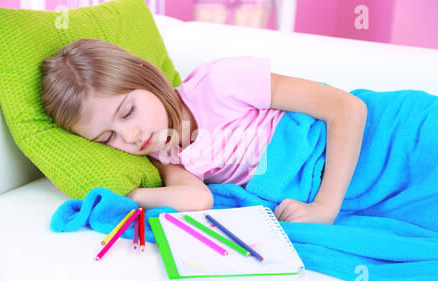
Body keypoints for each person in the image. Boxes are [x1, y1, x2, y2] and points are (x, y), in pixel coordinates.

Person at [41, 39, 367, 224]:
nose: (131, 136)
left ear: (144, 75)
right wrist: (121, 196)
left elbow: (347, 108)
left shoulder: (220, 82)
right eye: (107, 138)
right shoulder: (161, 154)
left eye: (128, 111)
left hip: (366, 137)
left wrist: (324, 208)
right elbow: (197, 198)